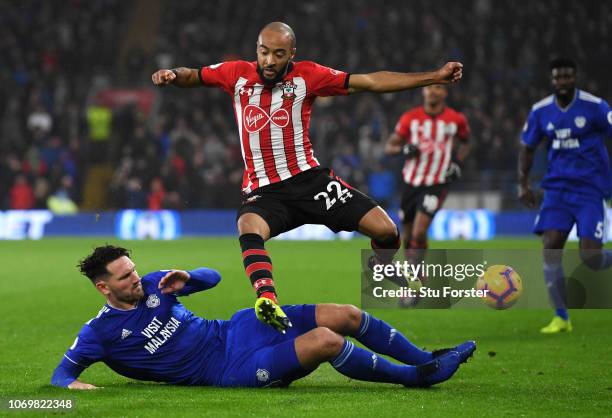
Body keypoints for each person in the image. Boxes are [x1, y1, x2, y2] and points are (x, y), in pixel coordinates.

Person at [151, 22, 464, 331]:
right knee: (248, 226)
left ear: (291, 54)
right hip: (265, 190)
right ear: (256, 50)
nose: (269, 61)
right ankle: (267, 299)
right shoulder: (236, 74)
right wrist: (173, 75)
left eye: (278, 54)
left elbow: (369, 81)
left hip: (311, 181)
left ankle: (381, 264)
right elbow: (194, 75)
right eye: (263, 52)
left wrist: (434, 76)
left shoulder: (308, 76)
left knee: (387, 232)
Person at [51, 245, 476, 389]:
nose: (136, 280)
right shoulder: (98, 334)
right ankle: (417, 378)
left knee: (346, 313)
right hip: (226, 369)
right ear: (103, 288)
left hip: (237, 328)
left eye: (134, 270)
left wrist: (190, 276)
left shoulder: (157, 284)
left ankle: (424, 357)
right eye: (125, 278)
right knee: (326, 340)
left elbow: (214, 277)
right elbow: (60, 375)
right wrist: (75, 386)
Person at [518, 57, 612, 334]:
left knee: (591, 257)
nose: (562, 82)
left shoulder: (595, 107)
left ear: (575, 77)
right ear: (552, 80)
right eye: (558, 77)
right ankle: (561, 317)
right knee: (551, 248)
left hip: (589, 190)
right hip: (556, 189)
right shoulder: (541, 111)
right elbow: (527, 147)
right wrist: (523, 184)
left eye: (567, 77)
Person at [384, 84, 469, 268]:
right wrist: (403, 149)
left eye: (438, 87)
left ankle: (417, 279)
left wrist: (457, 163)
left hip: (437, 183)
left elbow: (466, 142)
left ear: (445, 92)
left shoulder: (456, 119)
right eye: (429, 87)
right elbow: (389, 147)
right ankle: (414, 277)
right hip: (411, 182)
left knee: (419, 231)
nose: (432, 91)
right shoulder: (410, 118)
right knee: (407, 236)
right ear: (423, 91)